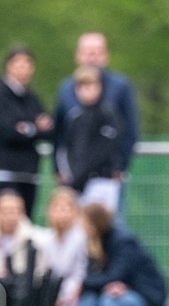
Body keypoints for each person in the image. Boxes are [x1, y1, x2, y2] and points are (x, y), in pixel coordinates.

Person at [54, 32, 139, 219]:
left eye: (97, 52)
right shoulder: (66, 89)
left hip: (108, 177)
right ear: (78, 55)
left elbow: (130, 131)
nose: (92, 57)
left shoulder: (121, 87)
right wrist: (58, 169)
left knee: (111, 228)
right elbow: (59, 133)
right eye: (87, 52)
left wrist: (121, 167)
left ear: (105, 55)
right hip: (75, 177)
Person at [0, 45, 54, 220]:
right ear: (8, 65)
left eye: (27, 64)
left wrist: (28, 129)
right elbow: (7, 131)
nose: (23, 69)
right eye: (18, 64)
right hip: (4, 170)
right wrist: (34, 128)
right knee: (9, 223)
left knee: (26, 226)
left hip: (28, 173)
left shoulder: (32, 97)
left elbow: (48, 130)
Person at [53, 66, 124, 212]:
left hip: (102, 182)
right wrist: (73, 177)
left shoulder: (108, 116)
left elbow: (104, 151)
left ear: (100, 87)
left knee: (103, 229)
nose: (87, 91)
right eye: (82, 87)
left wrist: (81, 177)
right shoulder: (74, 119)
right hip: (78, 185)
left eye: (91, 86)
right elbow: (65, 149)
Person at [41, 187, 87, 306]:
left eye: (67, 208)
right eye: (58, 208)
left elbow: (80, 272)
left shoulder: (80, 238)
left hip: (74, 297)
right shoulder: (46, 239)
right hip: (52, 296)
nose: (62, 213)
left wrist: (65, 297)